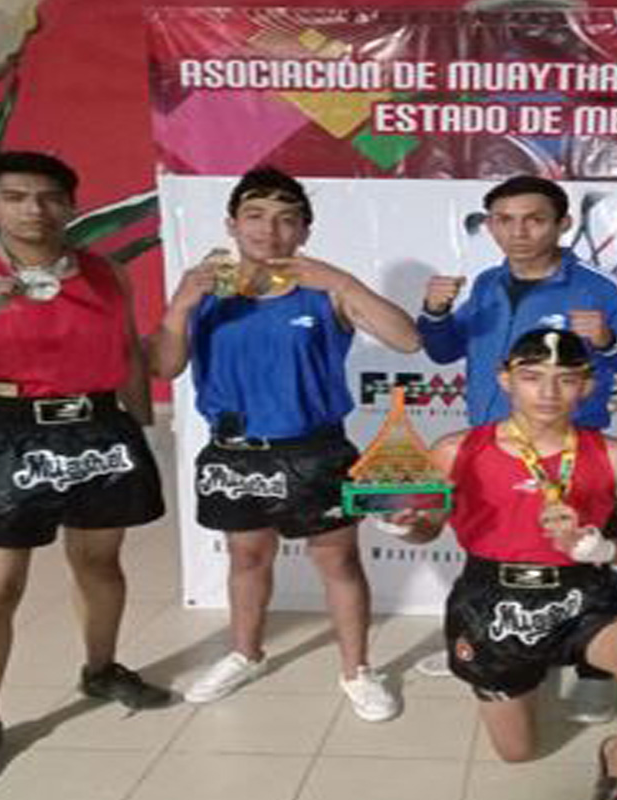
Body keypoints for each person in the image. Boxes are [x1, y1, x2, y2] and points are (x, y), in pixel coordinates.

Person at [0, 151, 169, 787]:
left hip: (96, 429)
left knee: (99, 564)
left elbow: (127, 354)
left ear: (70, 204)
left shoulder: (106, 272)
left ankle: (101, 668)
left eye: (48, 197)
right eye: (15, 197)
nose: (33, 210)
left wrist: (143, 427)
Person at [148, 167, 420, 721]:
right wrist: (179, 306)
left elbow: (407, 340)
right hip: (233, 453)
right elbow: (164, 366)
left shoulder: (325, 291)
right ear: (232, 224)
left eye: (285, 219)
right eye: (255, 216)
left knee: (338, 560)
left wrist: (343, 281)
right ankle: (244, 654)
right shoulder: (207, 291)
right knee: (247, 556)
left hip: (315, 451)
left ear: (304, 230)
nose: (269, 231)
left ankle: (357, 670)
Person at [387, 328, 617, 800]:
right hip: (489, 603)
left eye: (566, 379)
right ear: (505, 379)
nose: (548, 392)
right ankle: (528, 675)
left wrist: (602, 550)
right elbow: (426, 529)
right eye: (532, 377)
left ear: (587, 385)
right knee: (517, 753)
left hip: (582, 598)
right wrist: (403, 526)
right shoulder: (456, 449)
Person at [417, 174, 617, 722]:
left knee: (584, 560)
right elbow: (443, 352)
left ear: (563, 224)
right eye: (504, 220)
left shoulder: (595, 287)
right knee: (493, 553)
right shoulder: (487, 283)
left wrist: (608, 343)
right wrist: (435, 314)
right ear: (490, 226)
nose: (518, 232)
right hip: (491, 448)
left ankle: (596, 671)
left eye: (533, 219)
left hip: (572, 453)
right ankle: (483, 640)